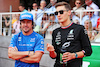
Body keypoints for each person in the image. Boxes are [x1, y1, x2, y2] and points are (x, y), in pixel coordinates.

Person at [46, 2, 92, 67]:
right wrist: (51, 51)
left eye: (61, 12)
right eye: (56, 13)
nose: (58, 15)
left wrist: (74, 55)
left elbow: (88, 51)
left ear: (69, 12)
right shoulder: (55, 32)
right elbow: (54, 56)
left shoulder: (79, 29)